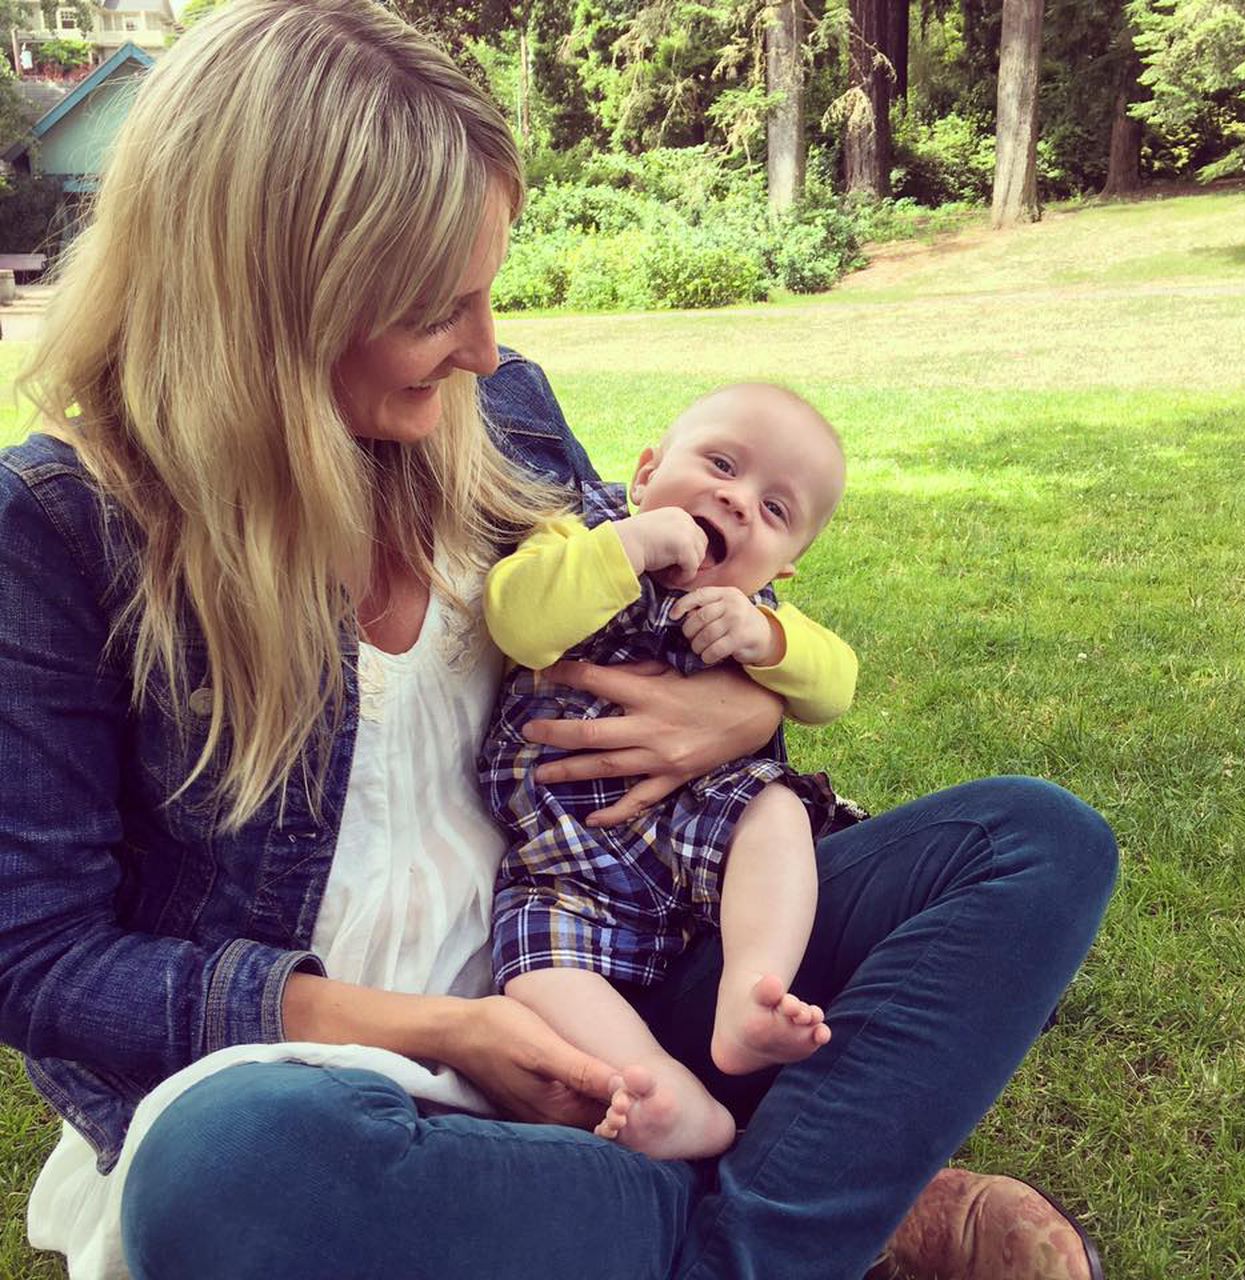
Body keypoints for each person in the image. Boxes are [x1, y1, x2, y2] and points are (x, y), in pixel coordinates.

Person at [0, 3, 1116, 1278]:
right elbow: (40, 956)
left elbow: (657, 628)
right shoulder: (56, 528)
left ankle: (712, 1220)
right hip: (339, 1076)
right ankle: (803, 1207)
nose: (485, 347)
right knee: (232, 1174)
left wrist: (743, 712)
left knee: (1035, 843)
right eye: (437, 307)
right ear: (272, 296)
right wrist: (454, 1029)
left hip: (621, 972)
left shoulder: (495, 408)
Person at [481, 383, 866, 1160]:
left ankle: (748, 996)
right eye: (721, 463)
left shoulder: (754, 613)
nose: (738, 500)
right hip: (566, 862)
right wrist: (629, 548)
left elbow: (838, 687)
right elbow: (518, 620)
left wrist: (767, 638)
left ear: (784, 568)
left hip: (701, 828)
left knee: (776, 812)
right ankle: (659, 1089)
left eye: (776, 511)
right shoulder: (572, 539)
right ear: (645, 474)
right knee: (533, 970)